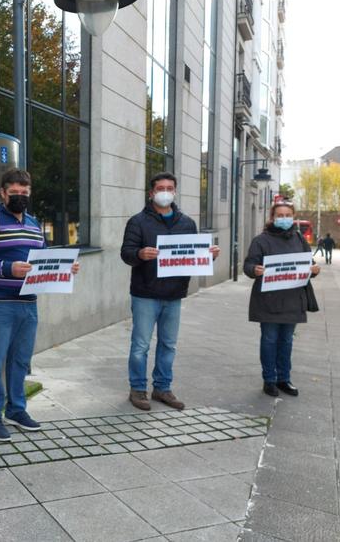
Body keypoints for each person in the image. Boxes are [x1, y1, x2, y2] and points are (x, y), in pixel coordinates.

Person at [0, 168, 79, 442]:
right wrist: (9, 269)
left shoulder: (33, 223)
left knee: (21, 361)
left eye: (24, 193)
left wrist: (65, 268)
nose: (20, 197)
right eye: (14, 193)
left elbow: (42, 259)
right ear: (2, 193)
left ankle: (16, 410)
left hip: (28, 303)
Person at [120, 172, 220, 411]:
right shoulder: (138, 222)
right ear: (151, 193)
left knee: (169, 344)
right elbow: (126, 253)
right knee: (140, 345)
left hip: (174, 293)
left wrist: (209, 256)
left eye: (170, 187)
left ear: (175, 191)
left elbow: (192, 256)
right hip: (145, 293)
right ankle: (138, 389)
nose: (165, 191)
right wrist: (140, 254)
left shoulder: (186, 223)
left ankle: (162, 388)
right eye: (160, 188)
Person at [243, 201, 320, 397]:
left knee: (286, 341)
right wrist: (255, 269)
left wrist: (314, 269)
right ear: (272, 218)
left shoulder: (299, 239)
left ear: (293, 217)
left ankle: (284, 379)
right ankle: (269, 379)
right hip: (269, 299)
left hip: (293, 298)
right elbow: (248, 265)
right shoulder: (261, 240)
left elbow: (308, 263)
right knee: (269, 340)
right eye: (280, 215)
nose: (284, 218)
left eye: (288, 215)